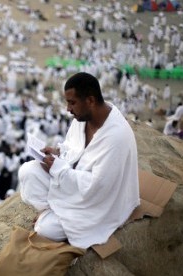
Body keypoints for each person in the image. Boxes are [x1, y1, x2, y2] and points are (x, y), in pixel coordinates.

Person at [18, 72, 139, 249]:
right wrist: (57, 153)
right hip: (74, 185)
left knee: (45, 229)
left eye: (72, 102)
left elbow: (99, 187)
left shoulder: (116, 136)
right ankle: (59, 211)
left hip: (99, 204)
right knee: (27, 172)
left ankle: (56, 213)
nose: (68, 109)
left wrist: (58, 169)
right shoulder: (82, 119)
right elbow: (72, 149)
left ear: (90, 100)